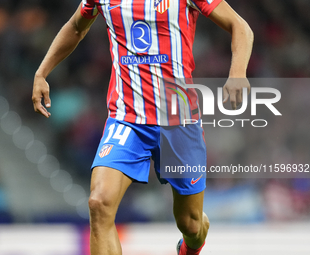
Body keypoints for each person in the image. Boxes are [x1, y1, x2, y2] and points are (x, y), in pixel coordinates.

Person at [32, 0, 253, 254]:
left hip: (178, 120)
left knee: (190, 223)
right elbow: (75, 27)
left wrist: (237, 73)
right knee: (99, 203)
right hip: (126, 118)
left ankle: (191, 244)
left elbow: (241, 26)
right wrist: (42, 72)